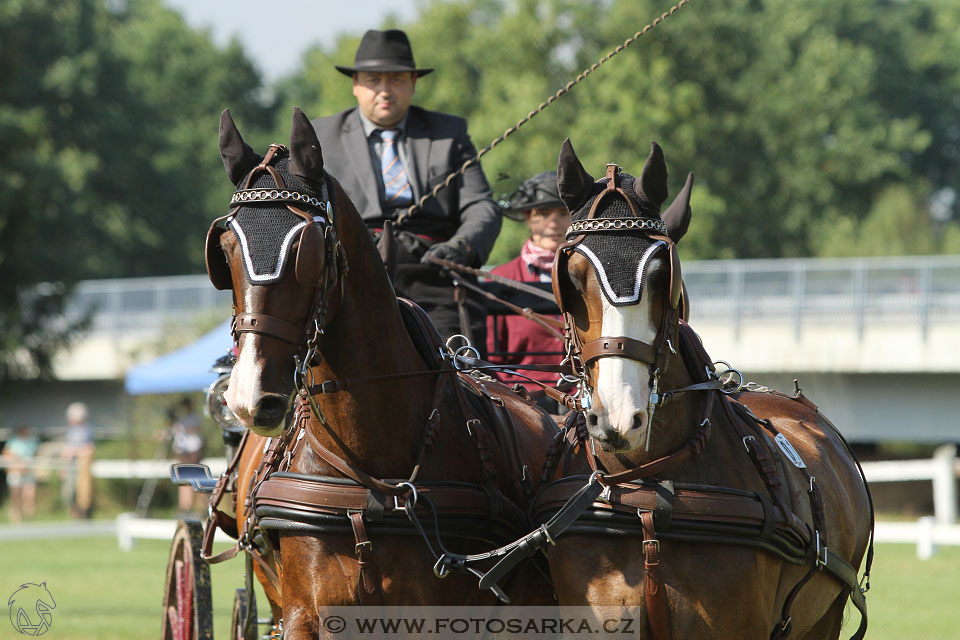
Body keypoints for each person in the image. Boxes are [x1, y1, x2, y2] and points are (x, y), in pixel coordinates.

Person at [311, 29, 500, 352]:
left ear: (413, 83)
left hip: (435, 274)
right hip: (350, 276)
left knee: (458, 373)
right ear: (356, 85)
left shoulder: (448, 133)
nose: (385, 91)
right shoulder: (321, 136)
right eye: (373, 80)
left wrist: (460, 247)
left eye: (396, 79)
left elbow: (481, 205)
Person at [486, 171, 571, 413]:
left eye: (563, 213)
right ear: (528, 218)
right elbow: (491, 361)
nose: (553, 223)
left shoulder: (594, 278)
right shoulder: (501, 279)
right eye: (543, 214)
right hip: (521, 409)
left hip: (586, 405)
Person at [169, 397, 204, 515]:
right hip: (182, 453)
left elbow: (194, 429)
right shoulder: (181, 420)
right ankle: (185, 507)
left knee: (197, 479)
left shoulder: (194, 417)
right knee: (183, 480)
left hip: (193, 452)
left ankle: (201, 508)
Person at [61, 401, 95, 519]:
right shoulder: (70, 431)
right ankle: (74, 513)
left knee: (82, 491)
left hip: (82, 465)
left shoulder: (87, 430)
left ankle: (83, 513)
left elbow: (89, 448)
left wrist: (74, 451)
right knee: (68, 492)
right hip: (70, 464)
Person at [2, 423, 39, 523]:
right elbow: (6, 454)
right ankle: (16, 518)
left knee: (29, 496)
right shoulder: (13, 441)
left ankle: (29, 518)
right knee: (16, 496)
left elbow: (35, 454)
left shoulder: (32, 441)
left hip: (28, 471)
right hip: (15, 472)